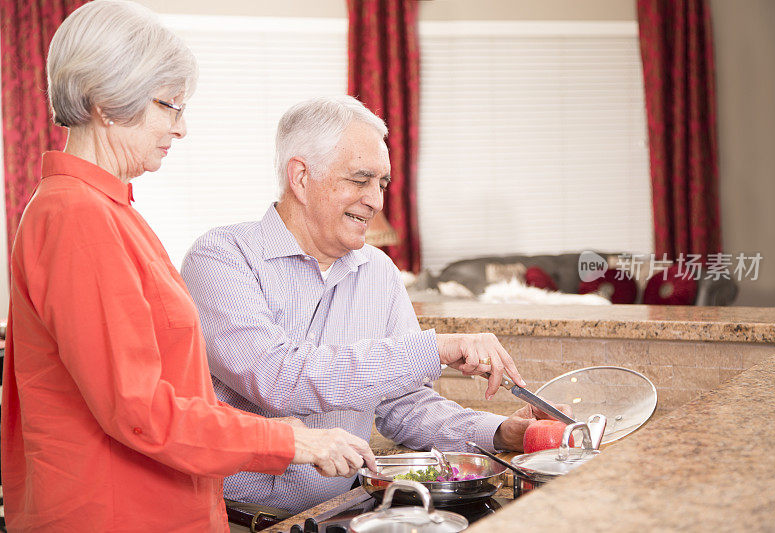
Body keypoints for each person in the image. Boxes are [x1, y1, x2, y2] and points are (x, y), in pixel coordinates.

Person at [0, 4, 374, 532]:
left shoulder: (106, 209)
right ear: (108, 102)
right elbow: (139, 408)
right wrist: (290, 440)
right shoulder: (77, 217)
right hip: (119, 515)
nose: (180, 128)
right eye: (169, 106)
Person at [181, 95, 566, 513]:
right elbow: (280, 379)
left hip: (339, 511)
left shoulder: (378, 271)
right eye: (360, 179)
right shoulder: (221, 257)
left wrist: (503, 432)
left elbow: (403, 405)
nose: (376, 201)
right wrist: (431, 349)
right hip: (236, 517)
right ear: (301, 176)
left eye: (381, 184)